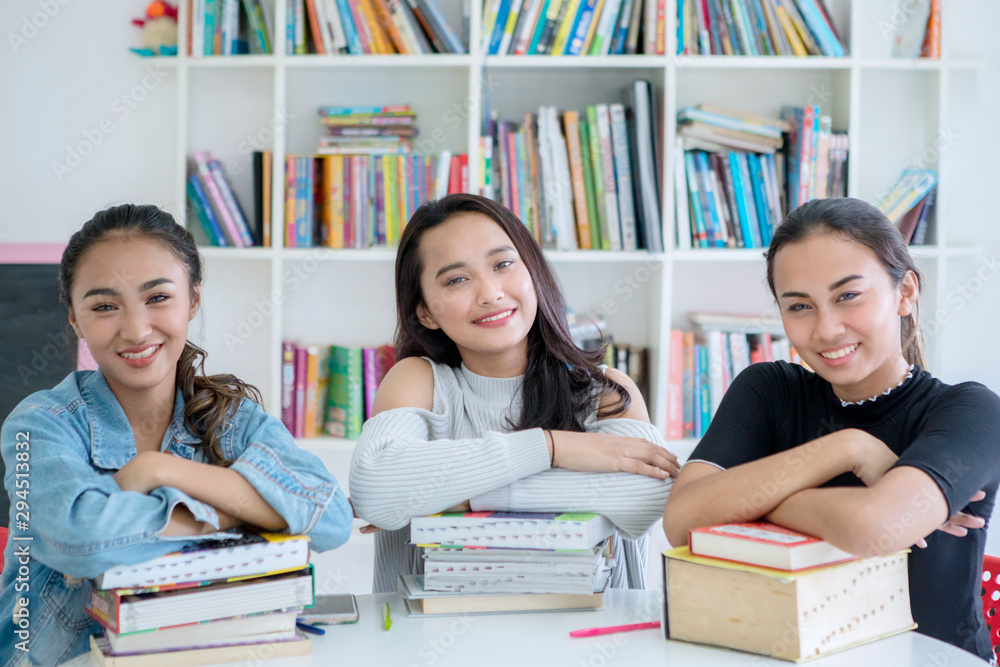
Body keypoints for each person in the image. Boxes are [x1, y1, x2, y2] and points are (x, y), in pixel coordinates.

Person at [0, 205, 353, 667]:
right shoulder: (38, 424)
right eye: (104, 306)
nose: (136, 329)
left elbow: (330, 518)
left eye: (158, 297)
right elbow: (80, 539)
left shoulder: (233, 420)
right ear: (74, 319)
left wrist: (158, 469)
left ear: (193, 300)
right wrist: (232, 514)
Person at [662, 197, 1000, 661]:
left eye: (847, 296)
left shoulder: (971, 411)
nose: (826, 329)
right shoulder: (769, 390)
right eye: (800, 305)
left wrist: (744, 507)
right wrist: (847, 447)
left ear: (905, 292)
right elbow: (681, 521)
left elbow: (876, 528)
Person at [349, 194, 679, 593]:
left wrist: (462, 498)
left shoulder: (603, 391)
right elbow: (375, 490)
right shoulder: (419, 381)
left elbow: (649, 494)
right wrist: (552, 448)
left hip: (589, 630)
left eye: (503, 264)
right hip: (435, 630)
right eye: (456, 279)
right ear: (425, 313)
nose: (490, 293)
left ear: (532, 271)